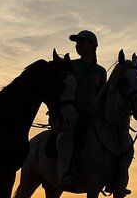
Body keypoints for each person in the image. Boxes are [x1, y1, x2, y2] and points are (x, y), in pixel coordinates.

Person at [59, 30, 107, 190]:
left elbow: (102, 97)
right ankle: (67, 173)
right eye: (77, 42)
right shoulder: (71, 66)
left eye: (83, 42)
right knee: (66, 138)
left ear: (93, 46)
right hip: (72, 115)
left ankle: (114, 176)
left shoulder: (101, 72)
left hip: (93, 117)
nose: (78, 45)